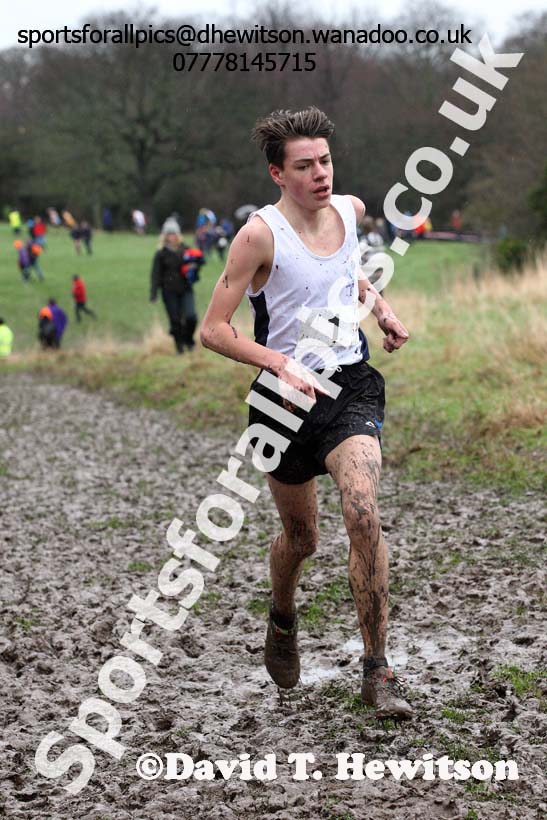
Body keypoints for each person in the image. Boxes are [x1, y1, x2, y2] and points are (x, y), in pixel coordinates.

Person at [201, 107, 412, 719]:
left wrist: (382, 309)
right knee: (302, 538)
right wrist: (278, 364)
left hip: (348, 387)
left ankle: (378, 672)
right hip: (282, 403)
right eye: (304, 166)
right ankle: (282, 616)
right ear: (277, 173)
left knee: (363, 509)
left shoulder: (349, 210)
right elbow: (214, 329)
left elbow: (351, 279)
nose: (320, 174)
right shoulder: (258, 236)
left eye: (324, 160)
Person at [150, 218, 198, 353]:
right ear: (164, 236)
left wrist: (195, 267)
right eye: (169, 234)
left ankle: (189, 339)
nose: (172, 236)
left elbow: (195, 267)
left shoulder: (186, 250)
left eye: (174, 233)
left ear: (178, 234)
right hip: (169, 291)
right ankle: (179, 347)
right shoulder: (161, 254)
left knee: (191, 317)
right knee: (175, 320)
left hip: (186, 289)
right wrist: (153, 293)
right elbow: (155, 274)